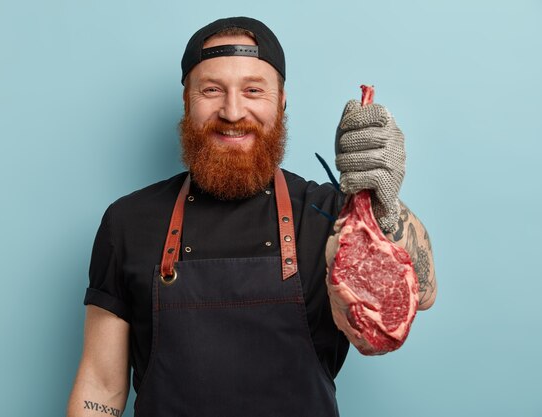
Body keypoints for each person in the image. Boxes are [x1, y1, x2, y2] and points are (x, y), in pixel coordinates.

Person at [66, 16, 437, 417]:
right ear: (187, 99)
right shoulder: (128, 222)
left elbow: (425, 293)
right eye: (211, 90)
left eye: (253, 90)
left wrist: (383, 206)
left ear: (280, 100)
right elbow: (101, 386)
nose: (232, 110)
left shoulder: (331, 217)